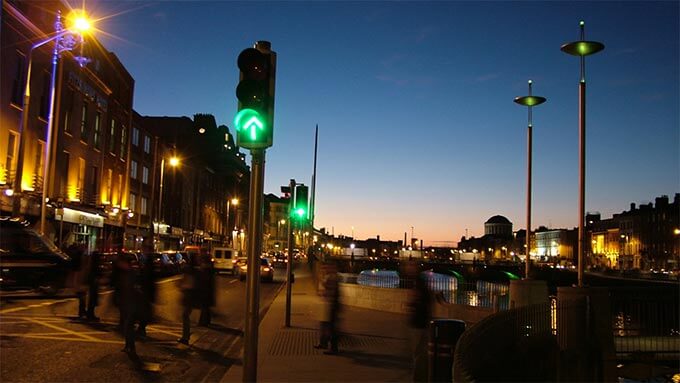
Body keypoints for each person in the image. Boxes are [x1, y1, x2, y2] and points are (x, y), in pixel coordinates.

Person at [314, 262, 340, 354]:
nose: (325, 269)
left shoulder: (332, 277)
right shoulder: (329, 277)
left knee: (330, 327)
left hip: (330, 305)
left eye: (326, 267)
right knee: (324, 325)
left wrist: (320, 278)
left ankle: (333, 348)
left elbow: (326, 287)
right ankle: (323, 343)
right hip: (327, 304)